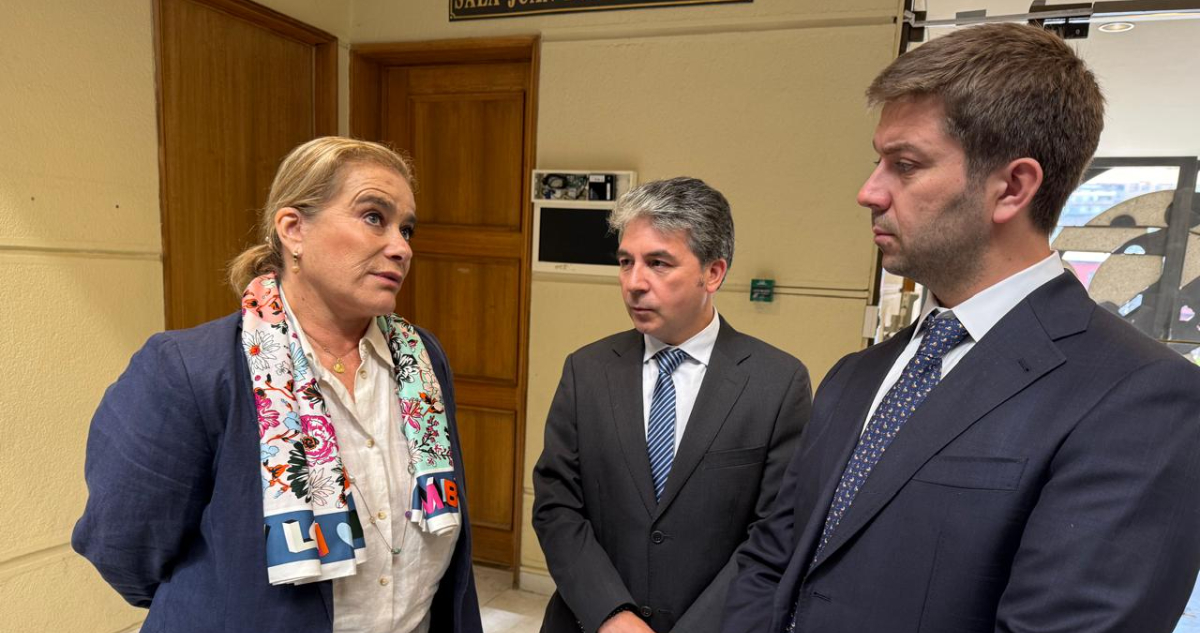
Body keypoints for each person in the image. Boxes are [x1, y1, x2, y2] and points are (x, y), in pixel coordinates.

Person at [723, 23, 1200, 633]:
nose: (868, 192)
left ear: (1013, 188)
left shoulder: (1139, 398)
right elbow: (772, 561)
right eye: (877, 162)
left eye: (905, 165)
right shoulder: (855, 376)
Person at [73, 137, 483, 633]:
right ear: (293, 229)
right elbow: (123, 544)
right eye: (374, 217)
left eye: (407, 228)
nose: (401, 248)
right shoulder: (190, 369)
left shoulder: (422, 360)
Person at [533, 177, 812, 633]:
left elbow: (775, 532)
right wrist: (610, 613)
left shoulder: (777, 384)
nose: (634, 283)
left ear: (713, 273)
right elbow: (556, 506)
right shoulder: (587, 371)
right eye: (626, 262)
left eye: (658, 263)